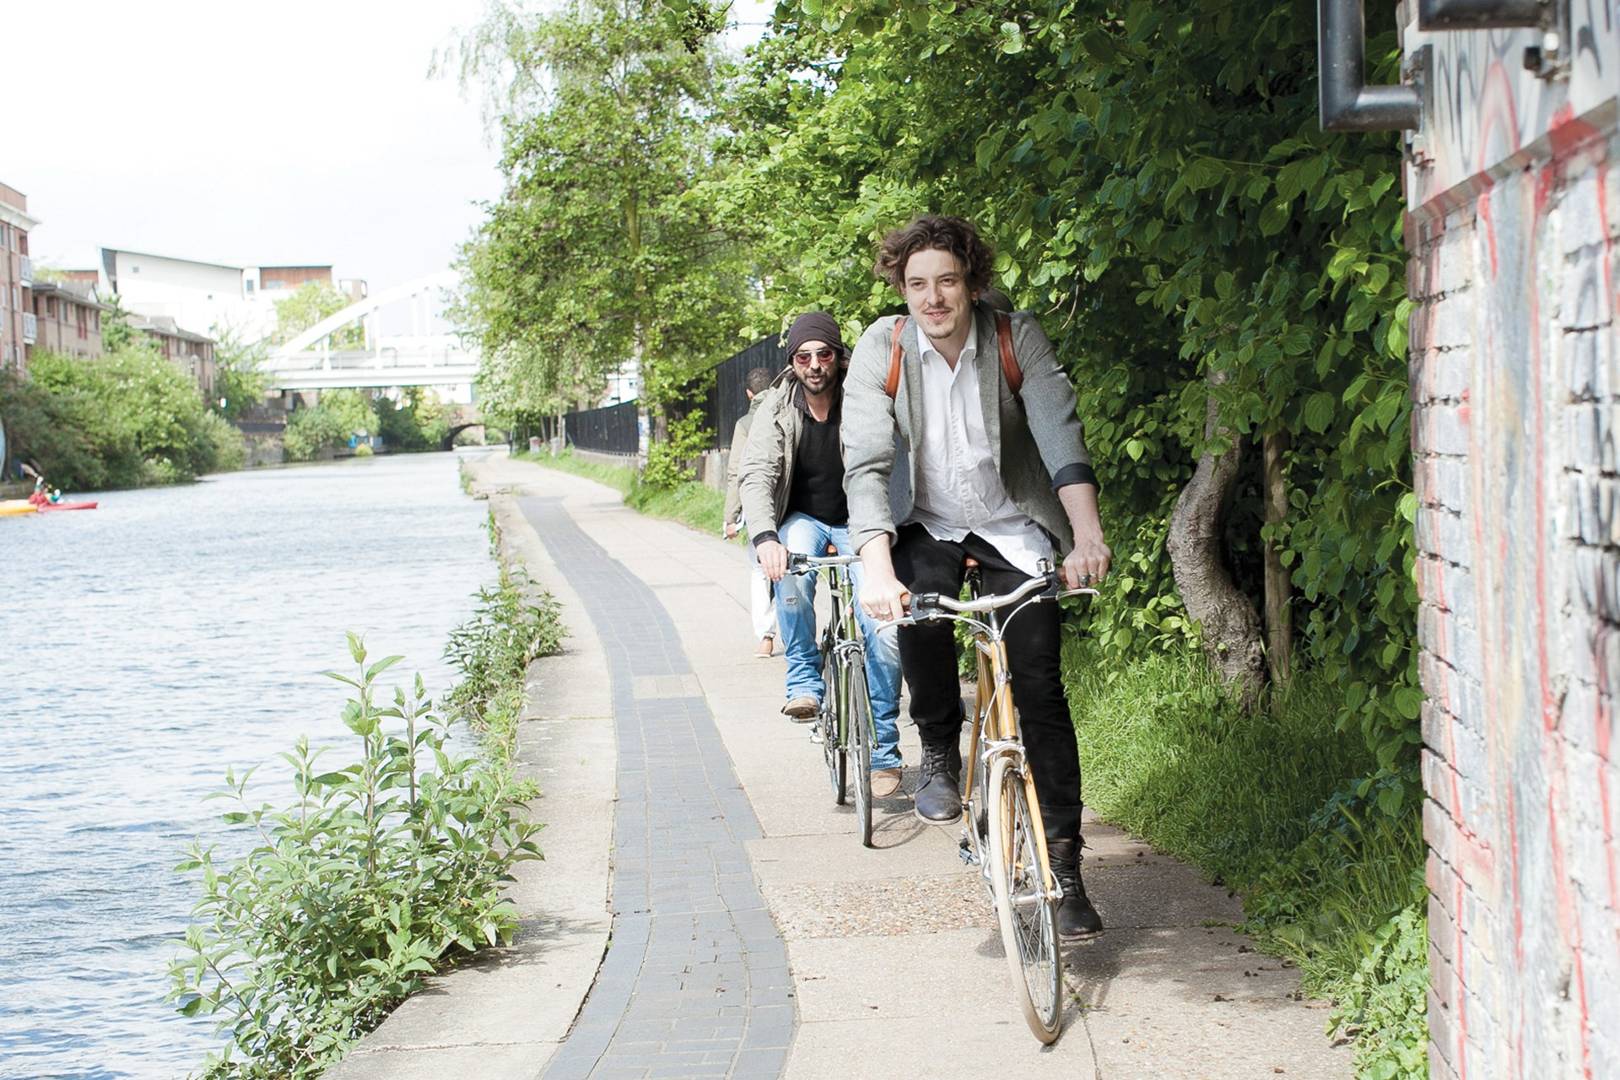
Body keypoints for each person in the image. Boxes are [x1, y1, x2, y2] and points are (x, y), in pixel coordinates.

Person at [841, 215, 1111, 936]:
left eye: (947, 282)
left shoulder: (1012, 338)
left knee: (1042, 689)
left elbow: (1062, 439)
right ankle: (937, 745)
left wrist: (1086, 536)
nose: (933, 299)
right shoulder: (883, 346)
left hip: (1011, 529)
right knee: (919, 613)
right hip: (924, 523)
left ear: (971, 283)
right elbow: (866, 464)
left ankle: (1067, 869)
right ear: (902, 288)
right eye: (917, 284)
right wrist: (875, 569)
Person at [739, 312, 907, 798]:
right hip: (802, 519)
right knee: (789, 570)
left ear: (839, 357)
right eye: (804, 356)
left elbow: (900, 461)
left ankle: (884, 753)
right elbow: (757, 473)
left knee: (884, 627)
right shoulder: (776, 406)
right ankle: (803, 681)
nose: (814, 365)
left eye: (824, 354)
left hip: (863, 522)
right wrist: (765, 537)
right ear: (792, 362)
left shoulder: (866, 399)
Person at [723, 366, 781, 658]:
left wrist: (731, 517)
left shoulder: (745, 423)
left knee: (761, 572)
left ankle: (766, 637)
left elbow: (736, 473)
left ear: (749, 393)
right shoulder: (787, 408)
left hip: (760, 507)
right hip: (793, 503)